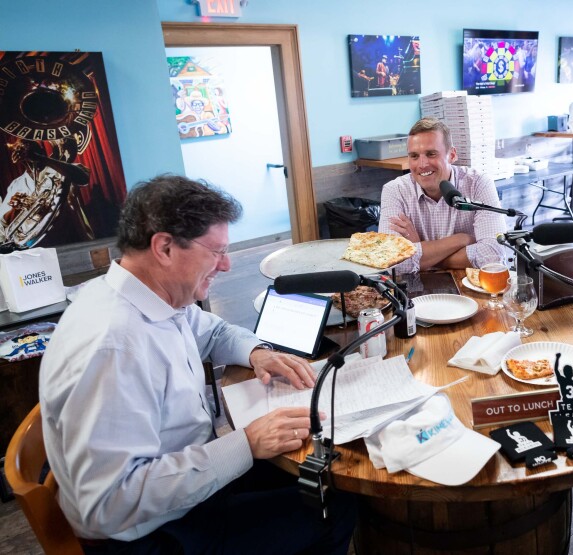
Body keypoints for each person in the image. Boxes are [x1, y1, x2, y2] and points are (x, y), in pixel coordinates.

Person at [40, 175, 355, 554]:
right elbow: (110, 503)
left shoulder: (155, 298)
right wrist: (246, 444)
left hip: (181, 479)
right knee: (335, 509)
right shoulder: (114, 348)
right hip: (149, 533)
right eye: (216, 252)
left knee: (322, 475)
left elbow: (215, 333)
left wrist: (259, 353)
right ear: (165, 247)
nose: (225, 265)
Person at [378, 117, 506, 273]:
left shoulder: (479, 184)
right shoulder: (394, 190)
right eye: (414, 156)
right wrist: (461, 240)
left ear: (452, 155)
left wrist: (422, 251)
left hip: (471, 288)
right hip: (418, 291)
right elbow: (391, 262)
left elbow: (493, 257)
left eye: (431, 154)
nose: (422, 164)